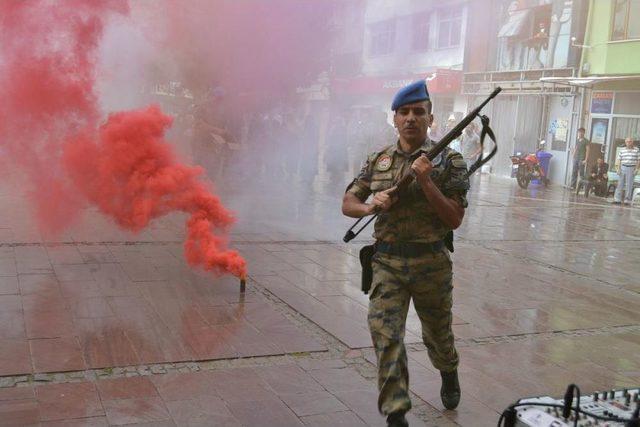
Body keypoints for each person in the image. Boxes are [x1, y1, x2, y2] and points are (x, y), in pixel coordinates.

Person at [341, 81, 468, 426]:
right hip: (387, 264)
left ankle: (448, 368)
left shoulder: (449, 161)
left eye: (418, 112)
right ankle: (396, 412)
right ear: (394, 119)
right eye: (404, 112)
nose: (411, 118)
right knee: (386, 335)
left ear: (430, 118)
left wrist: (427, 182)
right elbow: (348, 203)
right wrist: (370, 207)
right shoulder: (378, 160)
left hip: (431, 263)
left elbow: (454, 219)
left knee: (438, 335)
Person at [613, 137, 640, 204]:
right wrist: (618, 169)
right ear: (625, 142)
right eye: (627, 141)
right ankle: (617, 199)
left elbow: (638, 160)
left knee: (629, 184)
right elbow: (619, 160)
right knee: (620, 184)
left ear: (632, 142)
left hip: (631, 168)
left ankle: (627, 200)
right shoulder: (622, 150)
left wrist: (637, 169)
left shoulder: (636, 150)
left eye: (630, 141)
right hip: (623, 167)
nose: (629, 143)